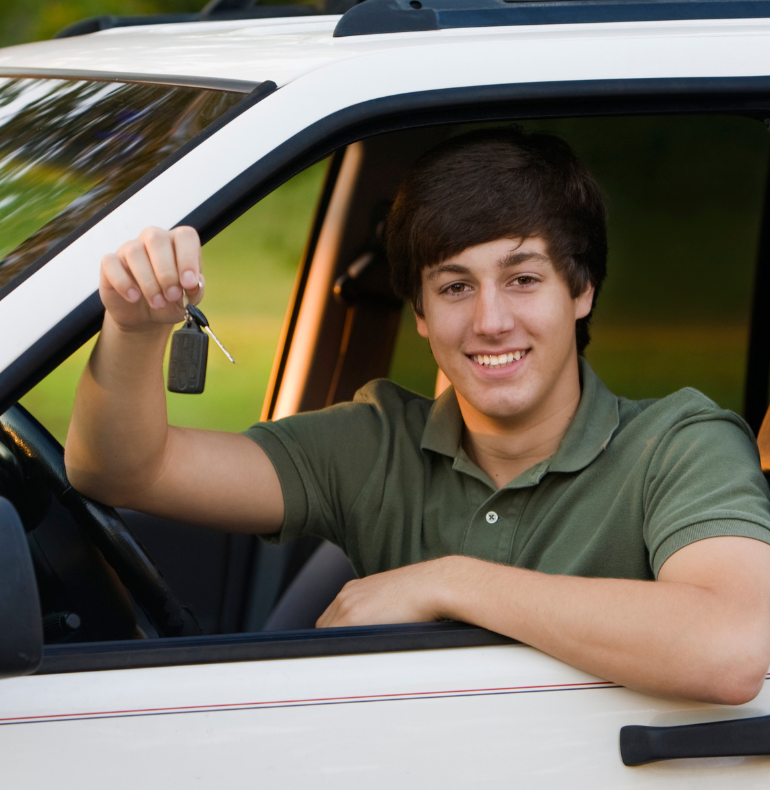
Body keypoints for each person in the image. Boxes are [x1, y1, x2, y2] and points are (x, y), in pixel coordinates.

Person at [65, 127, 770, 705]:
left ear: (580, 291)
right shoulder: (375, 442)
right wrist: (134, 329)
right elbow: (123, 469)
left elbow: (732, 646)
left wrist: (447, 580)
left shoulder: (680, 446)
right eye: (455, 286)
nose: (491, 321)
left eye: (522, 279)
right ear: (422, 316)